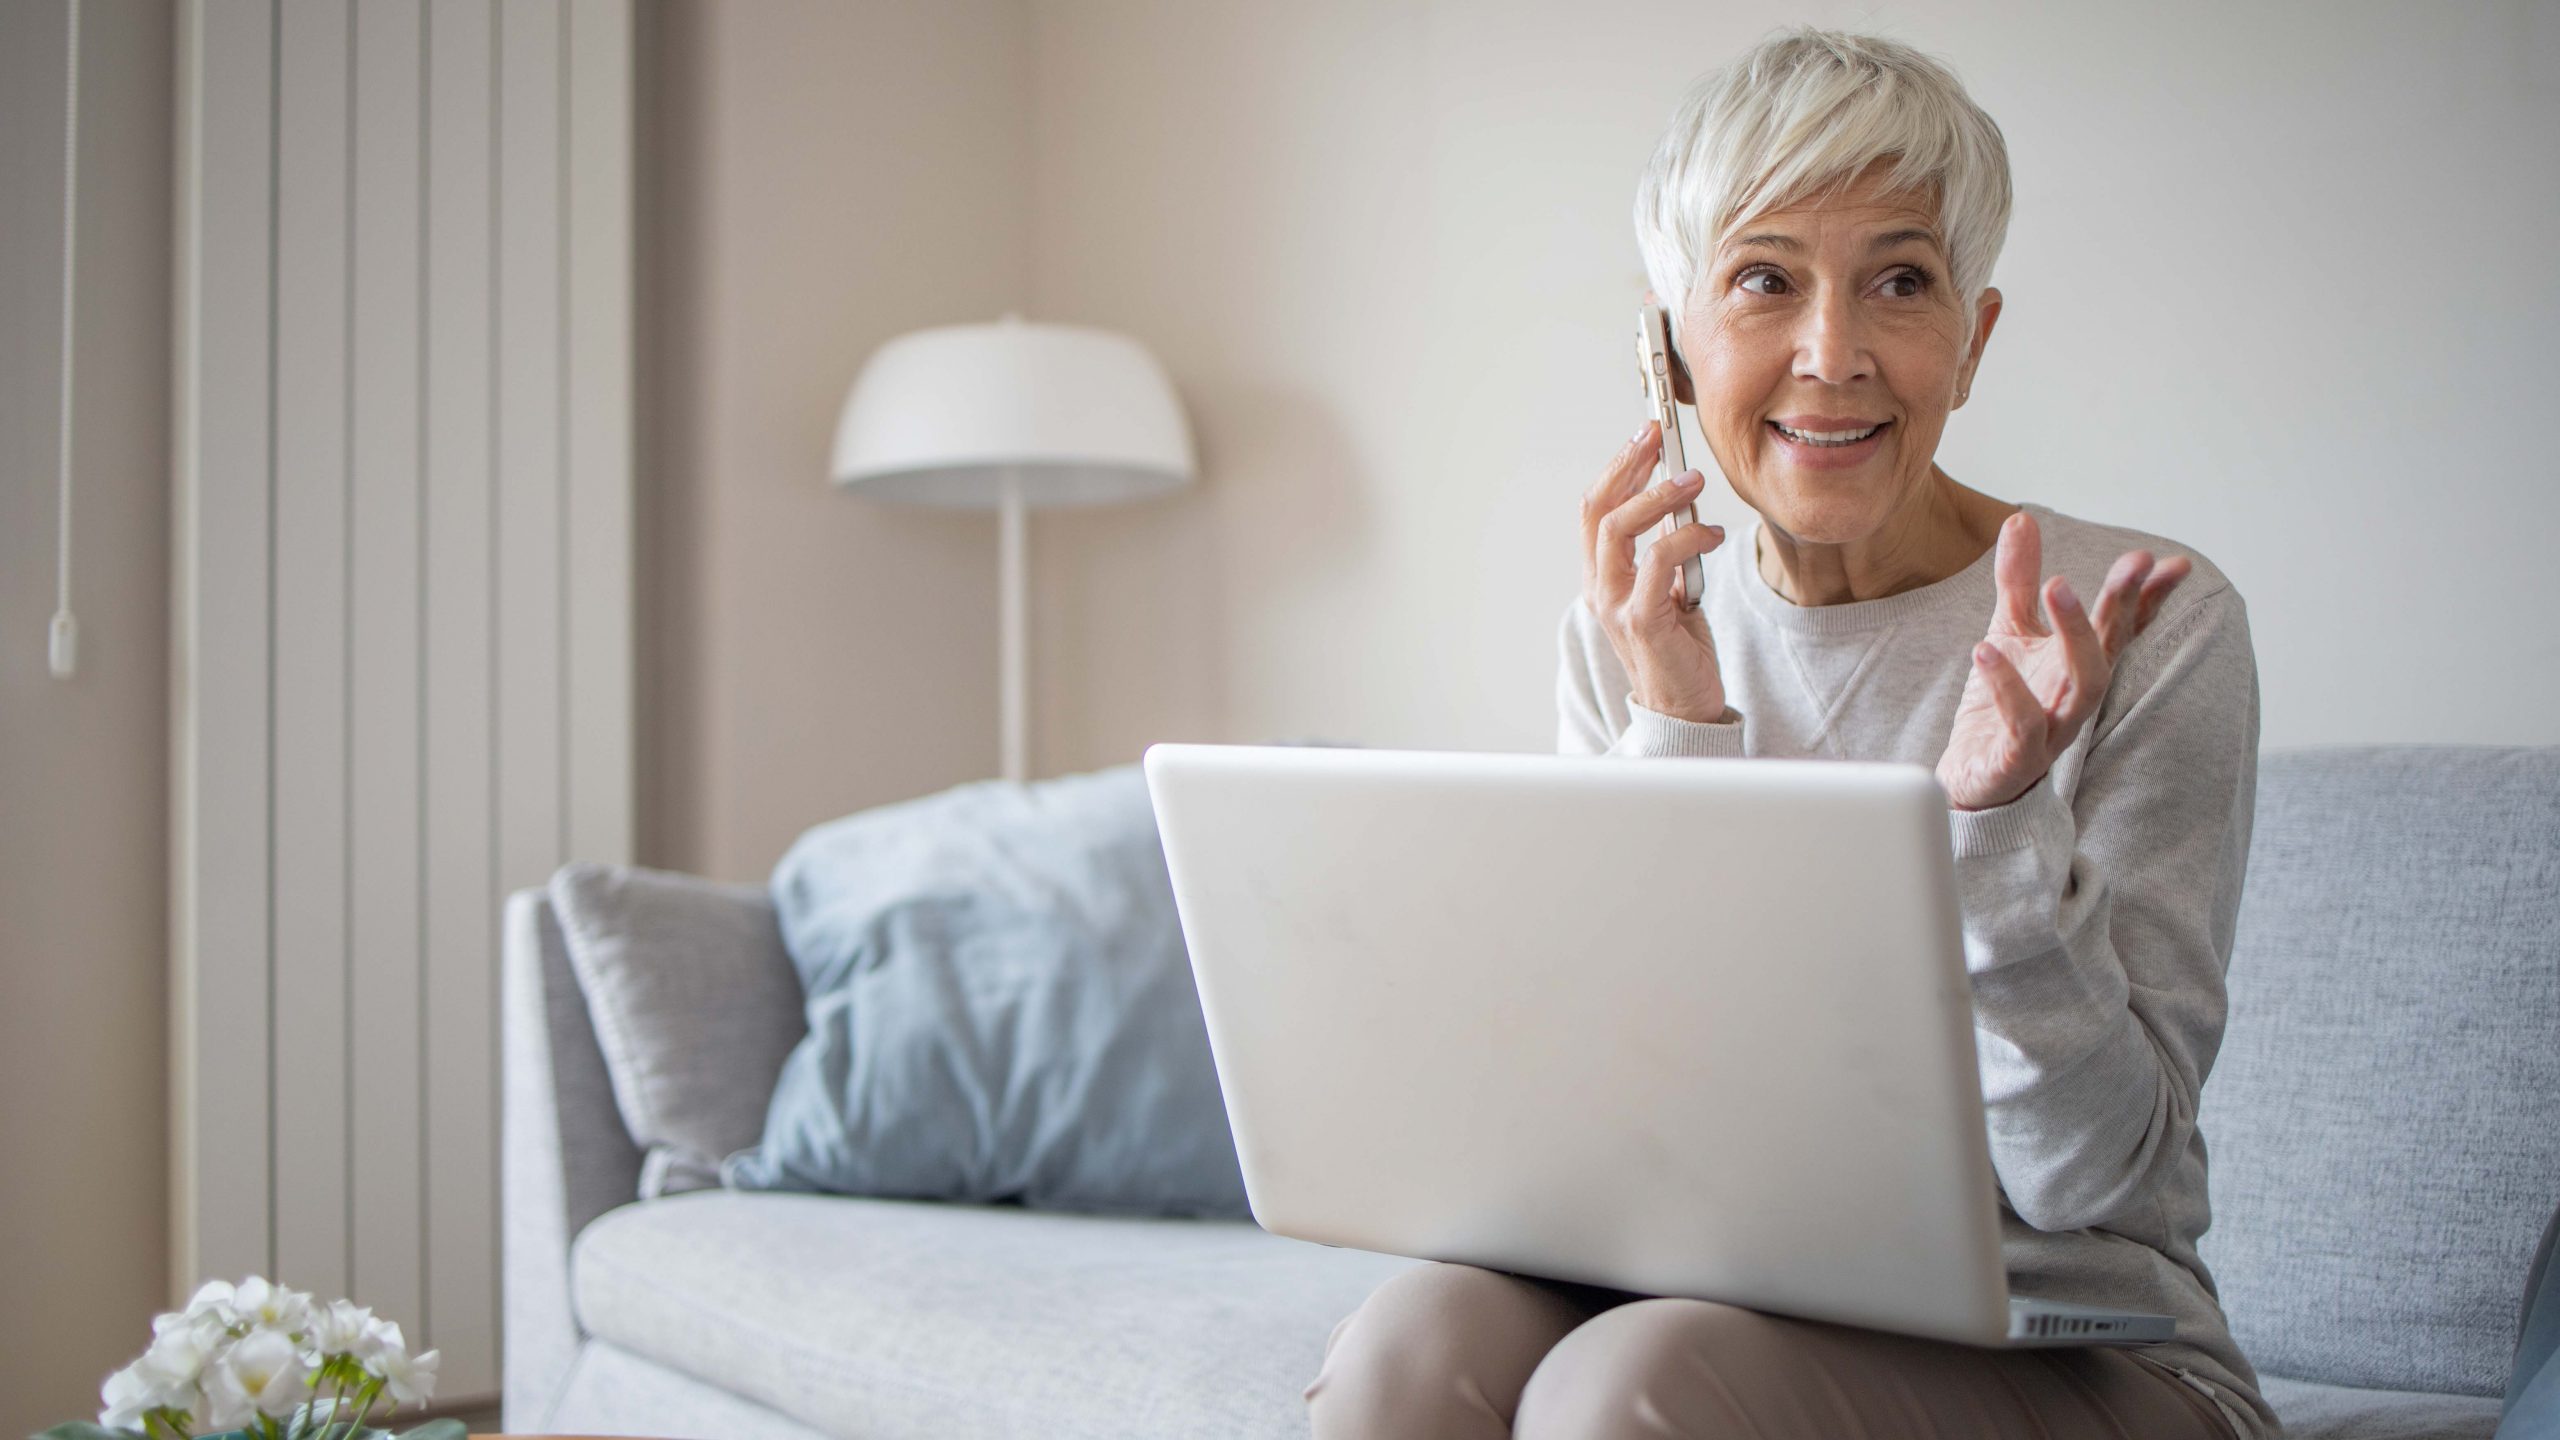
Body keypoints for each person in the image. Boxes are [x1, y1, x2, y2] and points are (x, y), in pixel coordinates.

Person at [1304, 26, 2270, 1440]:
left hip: (2086, 1351)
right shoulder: (1631, 631)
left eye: (1901, 281)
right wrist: (1676, 730)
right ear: (1671, 350)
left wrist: (1994, 835)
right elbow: (1624, 1132)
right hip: (1724, 1291)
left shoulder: (2142, 629)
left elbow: (2094, 1181)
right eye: (1765, 280)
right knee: (1412, 1343)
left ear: (1973, 339)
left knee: (1635, 1384)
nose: (1833, 354)